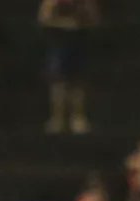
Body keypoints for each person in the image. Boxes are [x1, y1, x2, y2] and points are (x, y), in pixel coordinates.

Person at [40, 0, 99, 134]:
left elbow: (94, 19)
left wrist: (81, 20)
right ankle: (57, 119)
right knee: (58, 83)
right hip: (59, 43)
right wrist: (64, 23)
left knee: (78, 84)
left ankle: (78, 118)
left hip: (79, 42)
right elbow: (44, 18)